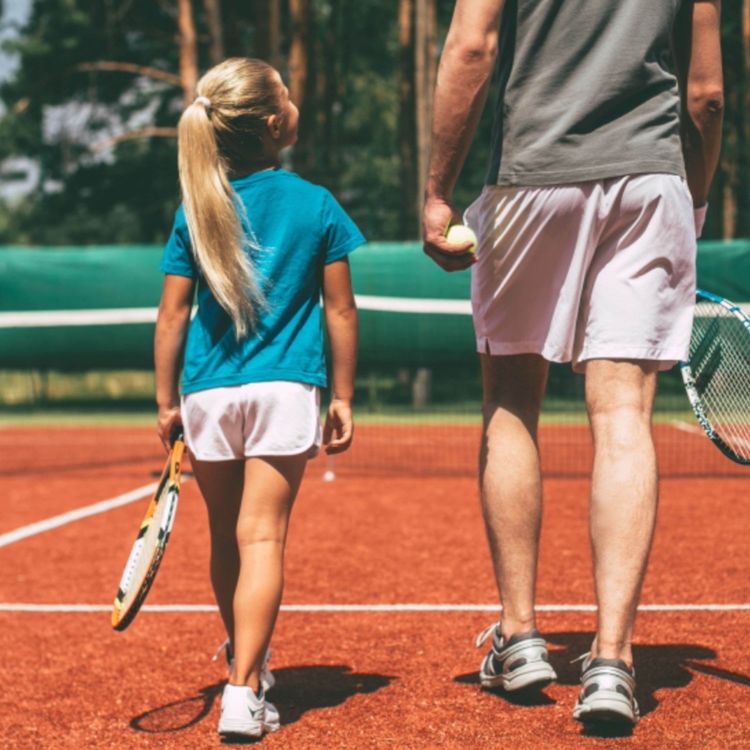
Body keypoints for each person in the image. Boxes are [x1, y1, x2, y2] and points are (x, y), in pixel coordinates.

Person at [423, 0, 723, 727]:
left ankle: (521, 637)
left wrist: (436, 191)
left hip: (534, 174)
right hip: (651, 180)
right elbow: (707, 94)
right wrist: (696, 197)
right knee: (624, 415)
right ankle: (614, 662)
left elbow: (471, 47)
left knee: (511, 402)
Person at [154, 58, 364, 740]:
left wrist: (165, 402)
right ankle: (243, 690)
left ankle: (245, 663)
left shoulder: (197, 207)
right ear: (276, 123)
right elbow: (341, 311)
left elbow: (171, 317)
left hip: (208, 394)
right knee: (264, 536)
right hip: (283, 390)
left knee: (227, 538)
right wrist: (344, 395)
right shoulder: (317, 204)